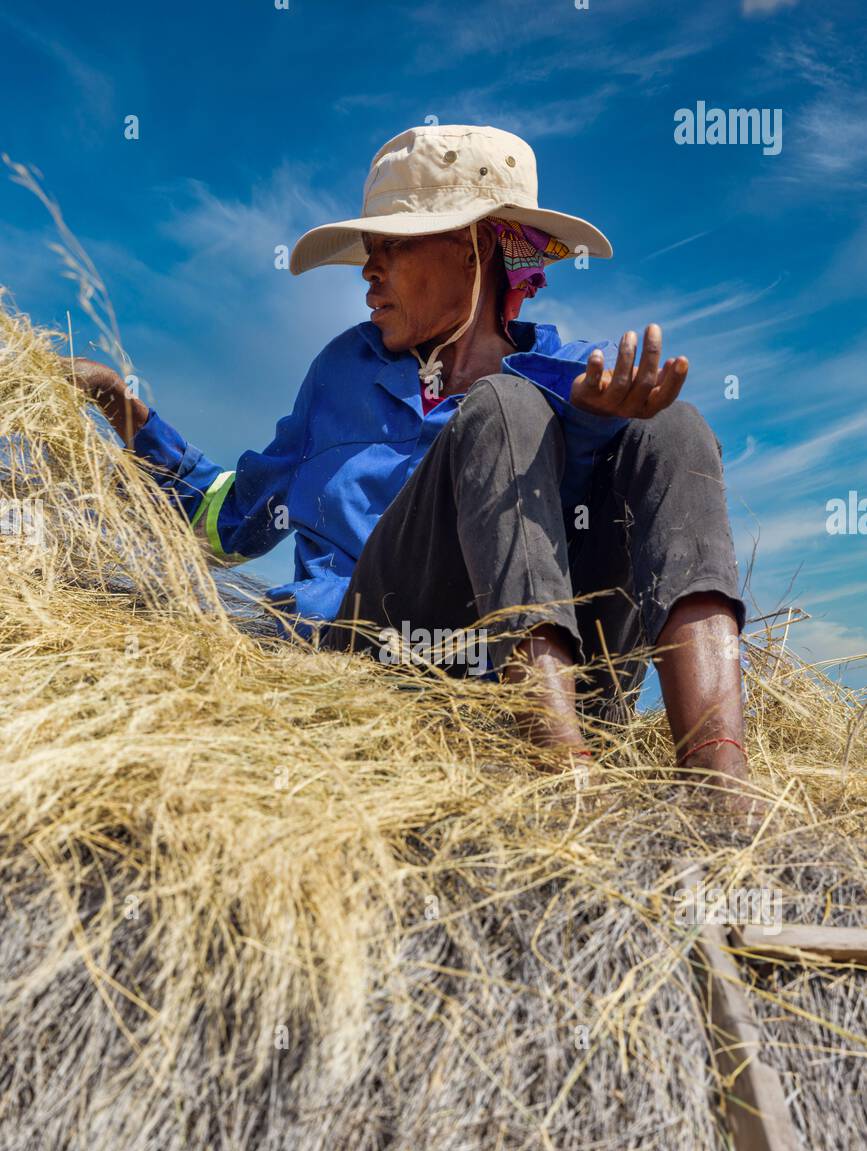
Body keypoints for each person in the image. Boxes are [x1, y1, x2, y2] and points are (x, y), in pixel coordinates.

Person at [72, 124, 749, 791]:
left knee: (673, 426)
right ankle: (558, 772)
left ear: (475, 251)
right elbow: (225, 520)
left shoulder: (583, 380)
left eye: (391, 247)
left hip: (575, 682)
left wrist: (595, 429)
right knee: (503, 406)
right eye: (370, 250)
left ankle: (724, 786)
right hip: (380, 670)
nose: (368, 270)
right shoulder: (341, 373)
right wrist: (118, 404)